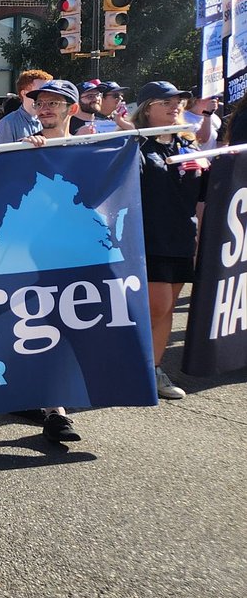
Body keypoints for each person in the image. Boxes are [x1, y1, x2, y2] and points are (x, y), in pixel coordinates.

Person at [18, 78, 90, 442]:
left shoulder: (89, 150)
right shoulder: (23, 149)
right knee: (44, 330)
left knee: (74, 330)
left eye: (53, 103)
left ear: (71, 109)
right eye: (40, 103)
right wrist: (22, 157)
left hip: (80, 255)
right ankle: (55, 411)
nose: (44, 109)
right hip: (34, 258)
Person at [134, 81, 204, 401]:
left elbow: (203, 194)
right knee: (157, 306)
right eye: (166, 102)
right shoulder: (136, 145)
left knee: (167, 309)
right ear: (147, 108)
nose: (175, 106)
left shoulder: (188, 145)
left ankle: (153, 369)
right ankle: (132, 366)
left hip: (182, 237)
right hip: (149, 239)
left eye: (178, 101)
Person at [0, 69, 53, 144]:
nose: (45, 96)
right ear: (24, 93)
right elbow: (2, 151)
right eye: (39, 91)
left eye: (48, 92)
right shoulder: (8, 123)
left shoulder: (50, 120)